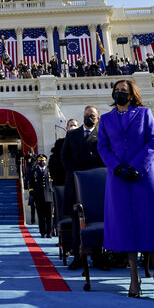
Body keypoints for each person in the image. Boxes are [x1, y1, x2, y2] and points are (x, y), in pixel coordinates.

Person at [97, 80, 154, 301]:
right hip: (118, 177)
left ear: (132, 95)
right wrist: (117, 167)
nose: (119, 95)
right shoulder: (105, 119)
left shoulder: (144, 114)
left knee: (150, 223)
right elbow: (103, 146)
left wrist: (137, 166)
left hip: (145, 175)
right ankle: (134, 277)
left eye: (123, 92)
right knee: (126, 225)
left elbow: (153, 140)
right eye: (116, 91)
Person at [60, 106, 107, 271]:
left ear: (98, 118)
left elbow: (106, 157)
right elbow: (64, 157)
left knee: (96, 219)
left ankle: (98, 257)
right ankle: (78, 257)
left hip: (95, 185)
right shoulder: (72, 134)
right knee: (76, 222)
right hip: (76, 183)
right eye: (86, 115)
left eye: (92, 115)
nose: (89, 118)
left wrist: (94, 174)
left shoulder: (102, 135)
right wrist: (77, 172)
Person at [28, 154, 54, 238]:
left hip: (49, 196)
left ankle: (49, 232)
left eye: (43, 161)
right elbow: (30, 184)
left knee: (49, 216)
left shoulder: (50, 171)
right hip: (38, 197)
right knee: (41, 216)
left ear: (46, 161)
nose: (42, 162)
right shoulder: (34, 171)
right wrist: (32, 194)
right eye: (40, 161)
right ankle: (43, 232)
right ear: (37, 162)